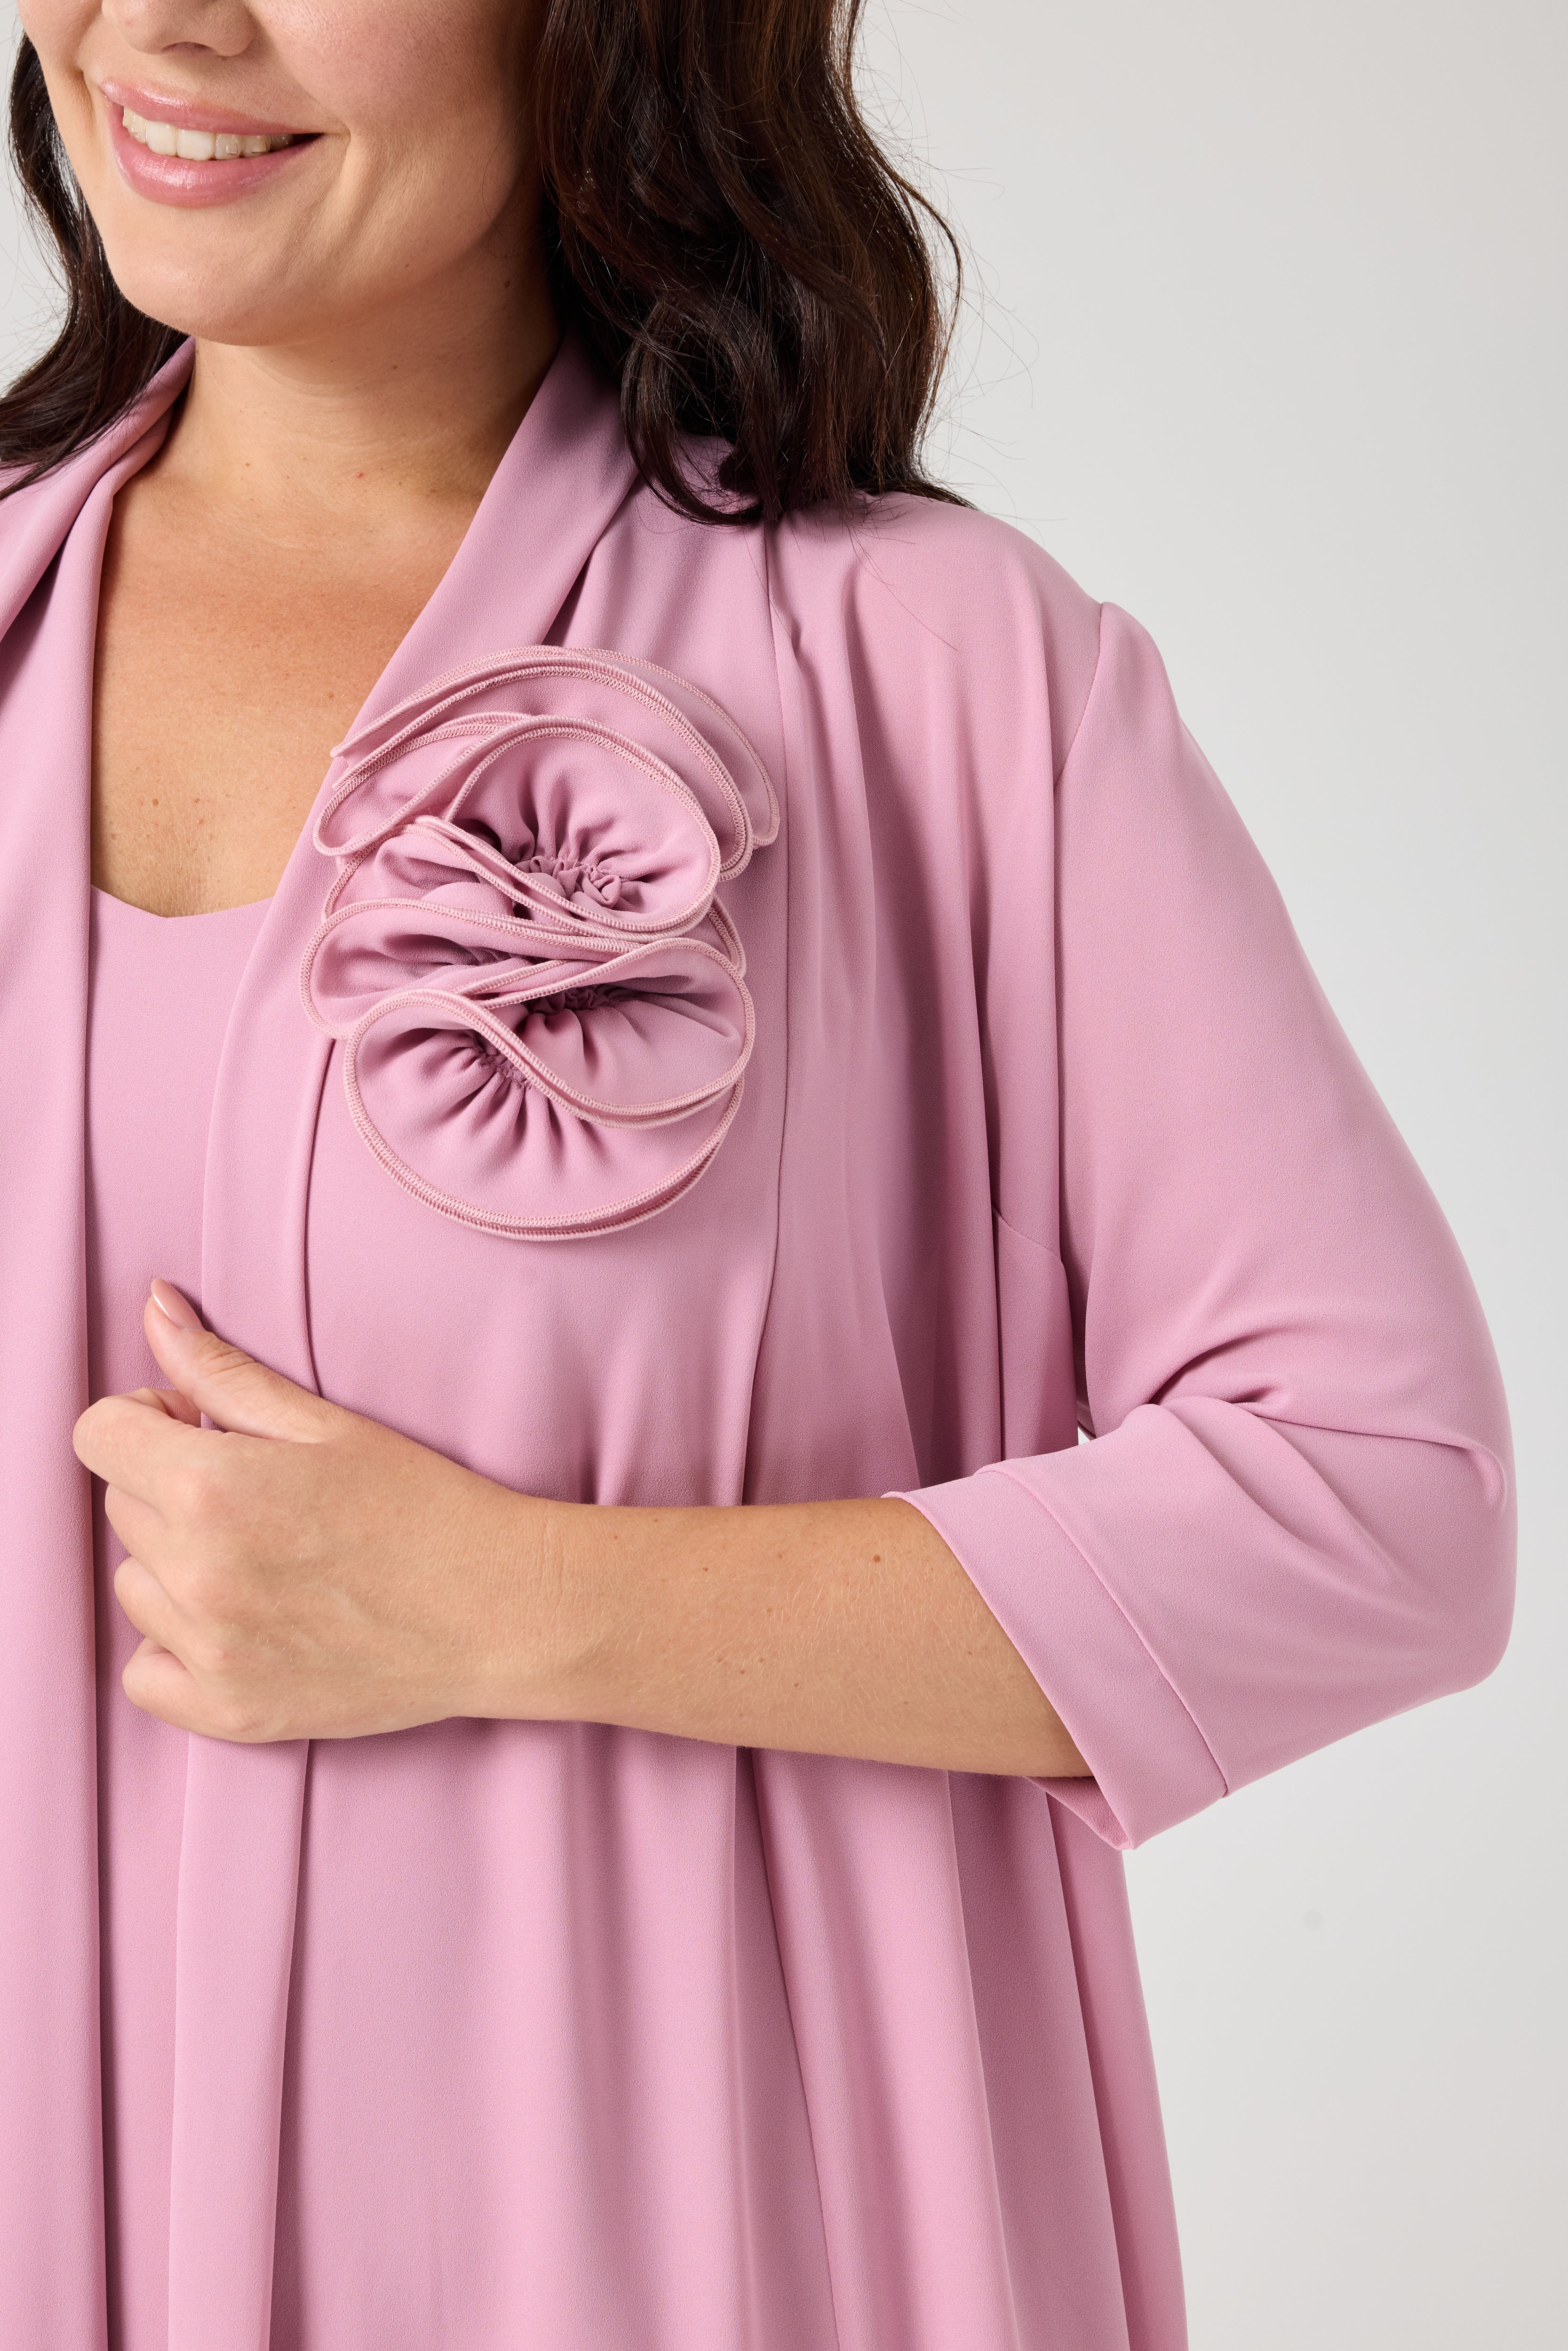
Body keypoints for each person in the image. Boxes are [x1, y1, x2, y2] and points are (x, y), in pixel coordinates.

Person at [0, 5, 1514, 2349]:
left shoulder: (939, 676)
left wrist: (516, 1603)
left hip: (706, 2245)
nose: (169, 20)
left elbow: (1385, 1494)